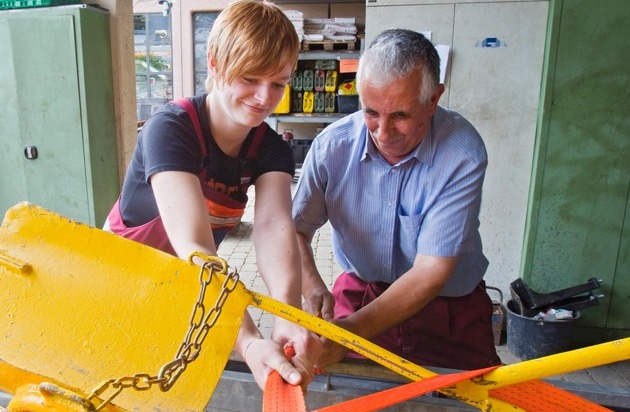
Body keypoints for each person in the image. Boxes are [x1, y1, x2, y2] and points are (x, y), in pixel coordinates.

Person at [104, 0, 319, 390]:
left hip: (188, 294)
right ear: (215, 64)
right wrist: (249, 340)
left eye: (278, 83)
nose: (264, 98)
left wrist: (287, 314)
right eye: (250, 78)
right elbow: (195, 247)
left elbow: (273, 228)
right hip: (117, 287)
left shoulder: (271, 150)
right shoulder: (171, 129)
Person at [292, 29, 501, 371]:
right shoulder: (331, 147)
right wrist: (312, 286)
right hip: (361, 295)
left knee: (468, 393)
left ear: (433, 100)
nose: (383, 133)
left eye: (400, 116)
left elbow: (431, 271)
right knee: (343, 391)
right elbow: (294, 231)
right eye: (371, 112)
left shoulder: (461, 153)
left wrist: (350, 334)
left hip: (448, 309)